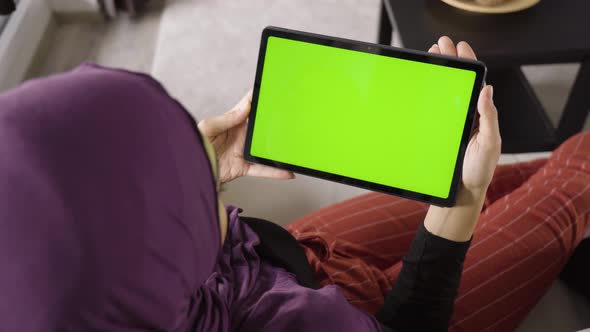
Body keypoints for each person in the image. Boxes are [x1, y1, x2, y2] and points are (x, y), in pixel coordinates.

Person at [0, 37, 587, 332]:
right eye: (178, 190)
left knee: (513, 172)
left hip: (285, 260)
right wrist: (459, 206)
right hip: (393, 315)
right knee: (572, 180)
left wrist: (203, 161)